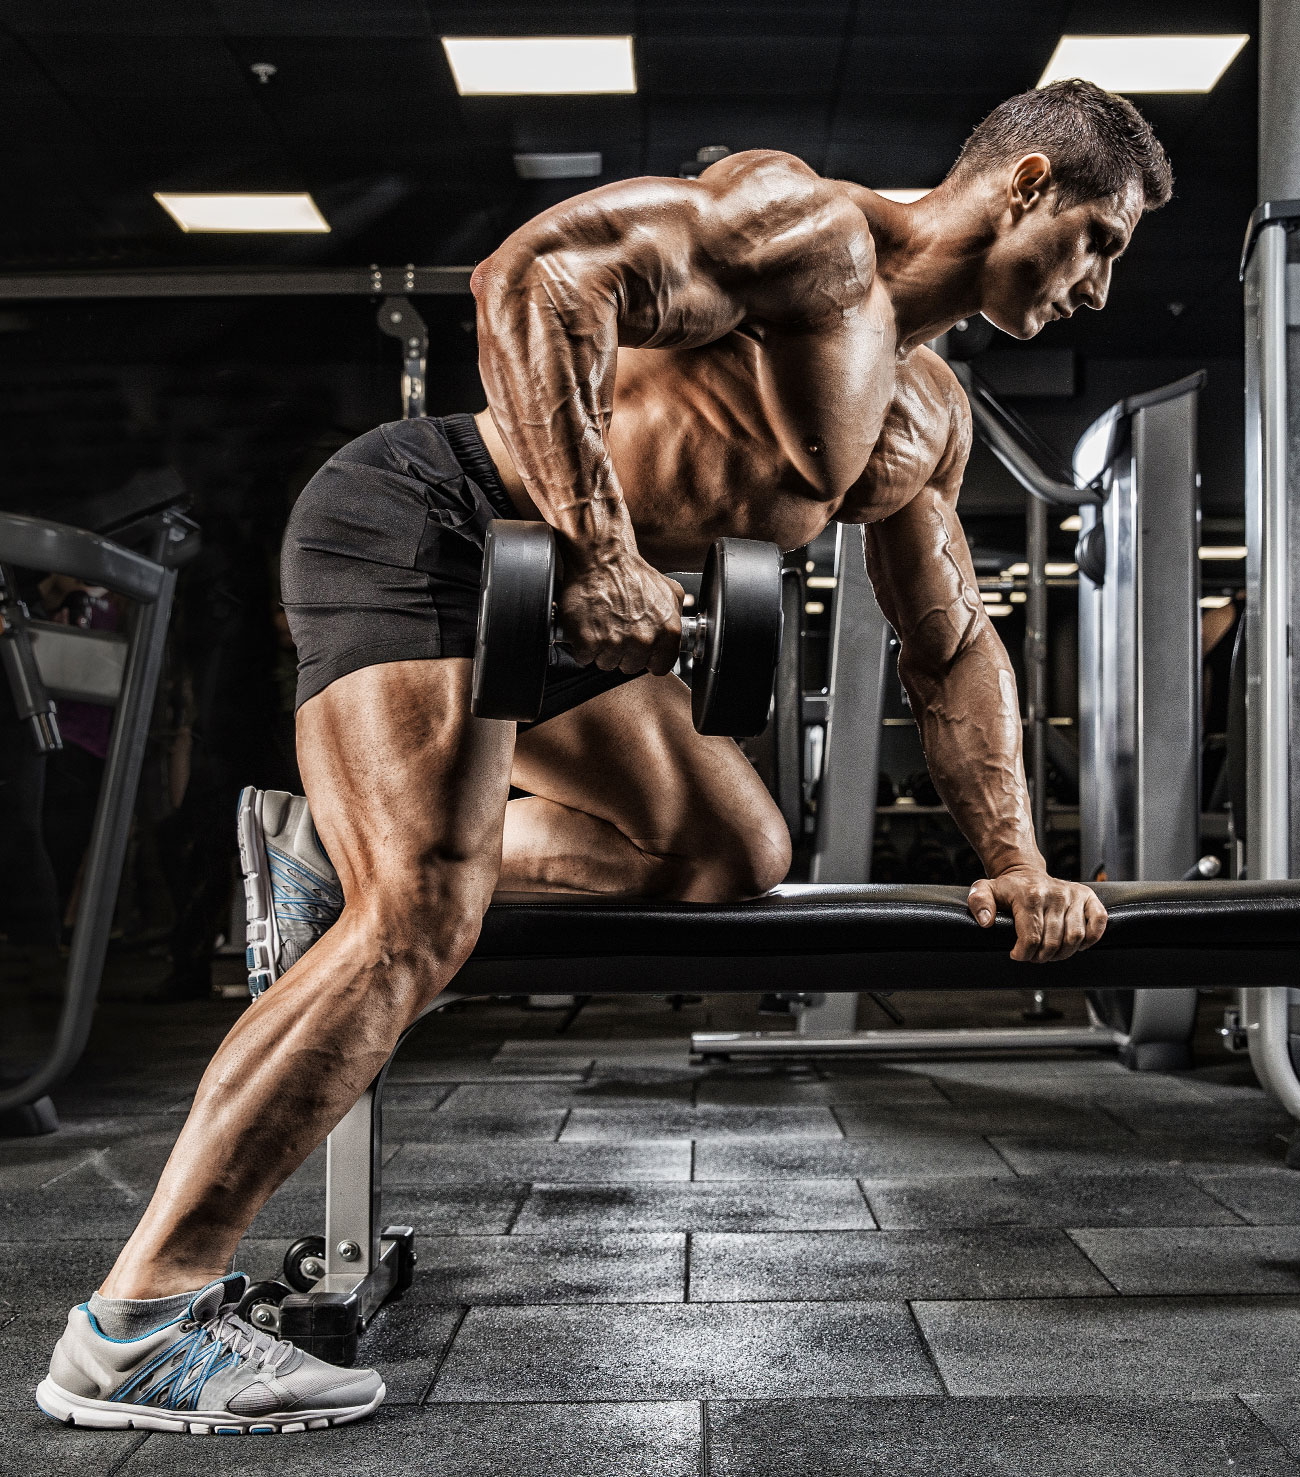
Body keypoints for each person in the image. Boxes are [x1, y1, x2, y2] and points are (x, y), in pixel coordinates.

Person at [39, 79, 1170, 1434]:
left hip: (572, 607)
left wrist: (1018, 866)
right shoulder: (804, 227)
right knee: (420, 918)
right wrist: (598, 545)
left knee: (728, 852)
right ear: (1029, 182)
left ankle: (324, 849)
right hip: (443, 523)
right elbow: (538, 277)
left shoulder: (927, 414)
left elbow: (951, 645)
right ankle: (135, 1326)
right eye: (1101, 240)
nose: (1099, 289)